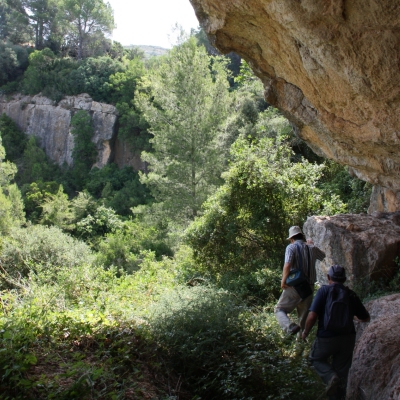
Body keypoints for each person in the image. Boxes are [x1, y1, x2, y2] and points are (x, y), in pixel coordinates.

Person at [302, 265, 370, 400]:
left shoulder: (324, 291)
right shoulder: (351, 294)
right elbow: (366, 317)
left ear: (328, 278)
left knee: (316, 359)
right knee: (342, 373)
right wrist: (353, 317)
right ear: (344, 279)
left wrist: (305, 332)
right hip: (347, 338)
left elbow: (312, 315)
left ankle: (330, 376)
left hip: (326, 337)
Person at [274, 225, 325, 335]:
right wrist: (312, 245)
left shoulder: (291, 247)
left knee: (279, 310)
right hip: (309, 288)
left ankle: (289, 326)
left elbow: (287, 265)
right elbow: (322, 256)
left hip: (294, 286)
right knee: (302, 318)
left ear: (291, 239)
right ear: (302, 237)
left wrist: (283, 281)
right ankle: (300, 343)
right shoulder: (312, 248)